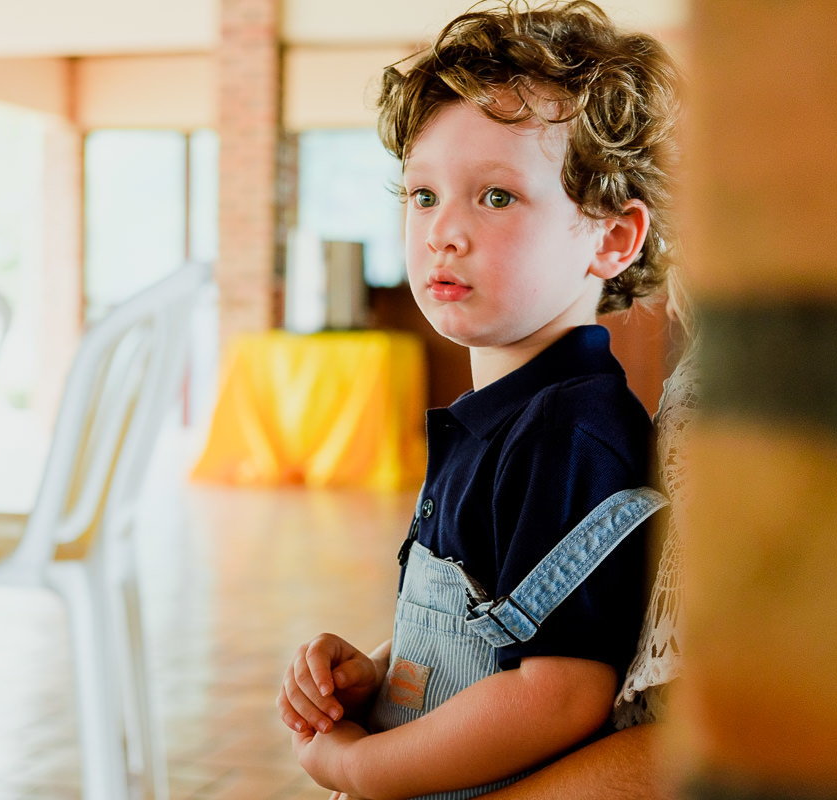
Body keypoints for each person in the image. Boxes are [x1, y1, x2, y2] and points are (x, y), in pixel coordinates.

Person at [278, 2, 682, 798]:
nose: (443, 232)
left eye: (495, 197)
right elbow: (489, 628)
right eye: (423, 195)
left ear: (610, 239)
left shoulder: (569, 434)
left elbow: (558, 692)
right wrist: (379, 672)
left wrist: (365, 767)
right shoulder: (505, 417)